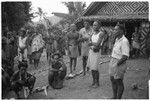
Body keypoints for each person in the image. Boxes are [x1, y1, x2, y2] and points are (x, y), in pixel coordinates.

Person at [109, 24, 130, 99]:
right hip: (113, 60)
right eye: (114, 29)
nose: (114, 31)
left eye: (116, 29)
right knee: (112, 79)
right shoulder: (117, 39)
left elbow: (125, 56)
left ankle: (118, 99)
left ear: (121, 31)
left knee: (118, 81)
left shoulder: (124, 41)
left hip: (119, 62)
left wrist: (117, 64)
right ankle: (114, 97)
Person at [86, 21, 105, 88]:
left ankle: (97, 83)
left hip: (96, 53)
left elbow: (97, 44)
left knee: (96, 68)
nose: (94, 26)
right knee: (92, 68)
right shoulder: (92, 34)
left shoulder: (101, 33)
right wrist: (92, 43)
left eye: (96, 25)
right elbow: (89, 42)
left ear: (99, 26)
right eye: (93, 25)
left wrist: (92, 43)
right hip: (91, 51)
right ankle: (94, 81)